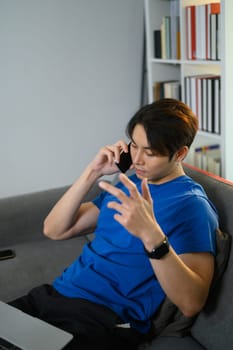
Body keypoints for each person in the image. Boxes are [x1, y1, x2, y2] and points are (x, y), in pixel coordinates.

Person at [10, 98, 218, 350]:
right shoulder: (127, 184)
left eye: (150, 153)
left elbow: (191, 302)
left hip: (103, 320)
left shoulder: (191, 205)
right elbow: (54, 230)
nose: (137, 159)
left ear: (180, 154)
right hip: (52, 296)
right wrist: (93, 171)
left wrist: (151, 235)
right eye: (134, 146)